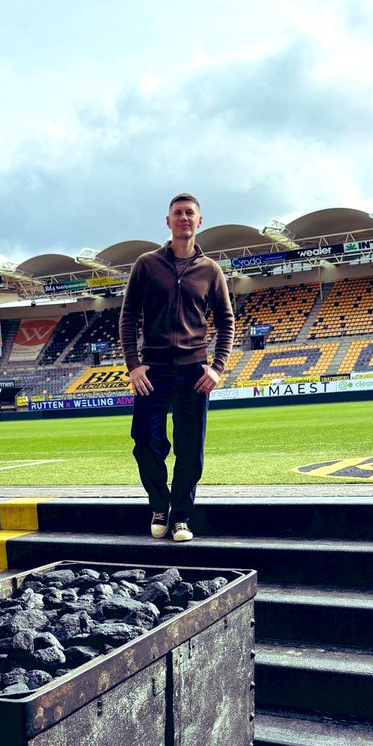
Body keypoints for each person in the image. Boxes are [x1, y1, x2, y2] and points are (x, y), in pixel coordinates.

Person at [119, 193, 234, 542]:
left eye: (190, 213)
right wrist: (134, 366)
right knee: (145, 442)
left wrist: (217, 367)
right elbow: (127, 317)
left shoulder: (211, 270)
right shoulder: (146, 264)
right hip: (152, 370)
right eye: (177, 213)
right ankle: (159, 506)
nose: (183, 218)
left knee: (190, 450)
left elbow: (226, 321)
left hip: (194, 371)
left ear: (200, 222)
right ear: (167, 222)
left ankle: (181, 516)